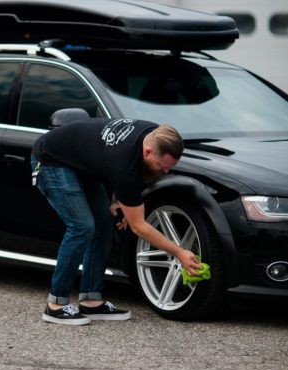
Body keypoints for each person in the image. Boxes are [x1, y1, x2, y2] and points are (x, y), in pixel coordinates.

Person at [31, 117, 202, 325]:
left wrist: (116, 201)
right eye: (161, 166)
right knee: (82, 227)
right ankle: (55, 305)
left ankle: (91, 301)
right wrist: (179, 252)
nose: (165, 172)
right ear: (147, 152)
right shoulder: (124, 162)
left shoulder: (157, 134)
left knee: (104, 225)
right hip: (52, 162)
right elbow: (138, 226)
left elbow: (106, 159)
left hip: (82, 166)